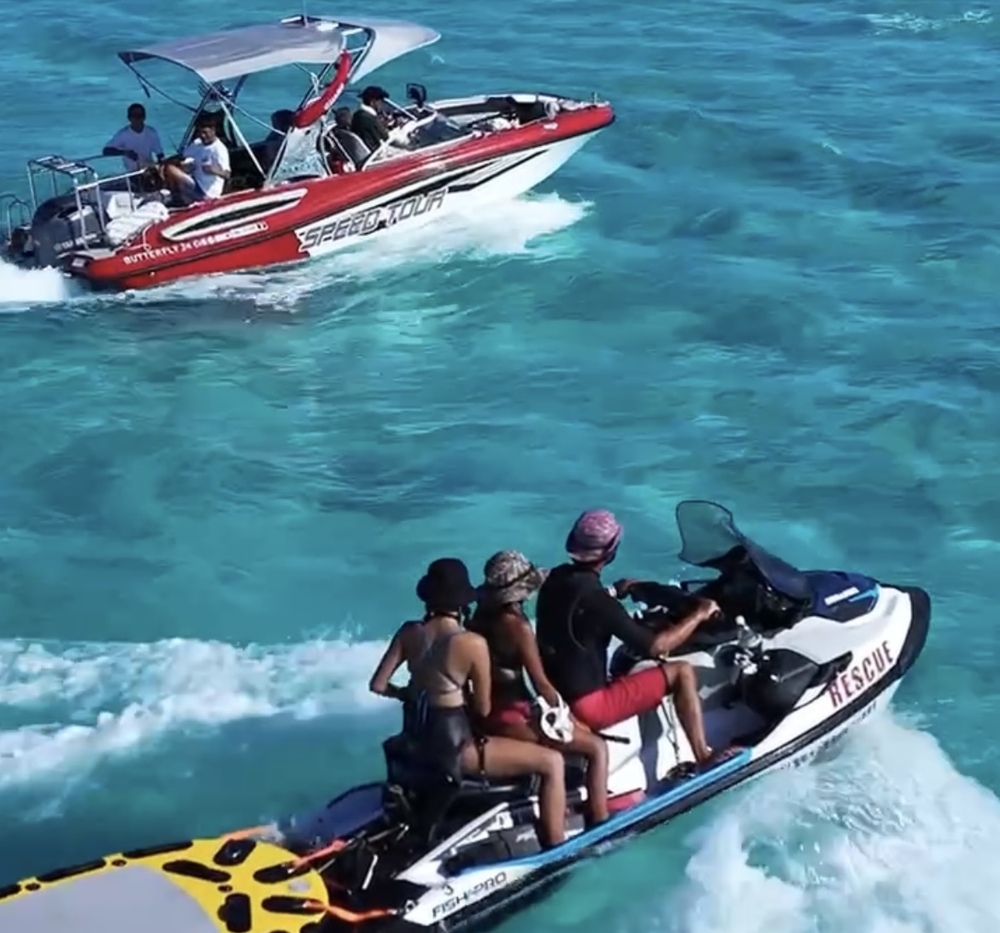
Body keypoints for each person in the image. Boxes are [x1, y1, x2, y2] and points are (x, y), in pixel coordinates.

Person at [368, 557, 570, 848]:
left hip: (416, 743)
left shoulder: (409, 632)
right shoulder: (472, 643)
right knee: (552, 762)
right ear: (461, 602)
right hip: (457, 751)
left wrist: (407, 694)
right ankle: (557, 845)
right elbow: (483, 709)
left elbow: (378, 685)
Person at [535, 509, 737, 768]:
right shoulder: (601, 603)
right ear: (611, 552)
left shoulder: (555, 578)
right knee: (682, 672)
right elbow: (656, 647)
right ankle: (703, 755)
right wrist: (699, 613)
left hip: (557, 696)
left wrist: (616, 591)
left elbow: (578, 603)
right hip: (590, 705)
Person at [468, 551, 610, 828]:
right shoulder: (517, 627)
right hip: (512, 716)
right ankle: (601, 819)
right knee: (596, 747)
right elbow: (540, 683)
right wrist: (567, 714)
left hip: (486, 714)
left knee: (578, 735)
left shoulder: (477, 620)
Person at [158, 112, 231, 204]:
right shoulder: (197, 143)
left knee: (171, 169)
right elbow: (182, 156)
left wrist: (214, 170)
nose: (203, 136)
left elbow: (227, 174)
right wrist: (164, 163)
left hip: (207, 191)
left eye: (205, 133)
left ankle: (176, 196)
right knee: (170, 167)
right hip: (195, 182)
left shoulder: (219, 149)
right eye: (200, 133)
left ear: (213, 130)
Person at [103, 102, 164, 173]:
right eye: (134, 116)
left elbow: (160, 154)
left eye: (140, 115)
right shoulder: (123, 135)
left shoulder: (152, 132)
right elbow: (106, 151)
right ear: (129, 118)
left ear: (144, 117)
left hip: (150, 169)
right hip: (133, 173)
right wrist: (125, 153)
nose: (137, 118)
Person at [350, 86, 391, 151]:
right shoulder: (370, 119)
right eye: (381, 101)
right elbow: (387, 138)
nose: (382, 104)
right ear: (372, 102)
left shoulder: (357, 115)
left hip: (365, 151)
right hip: (377, 152)